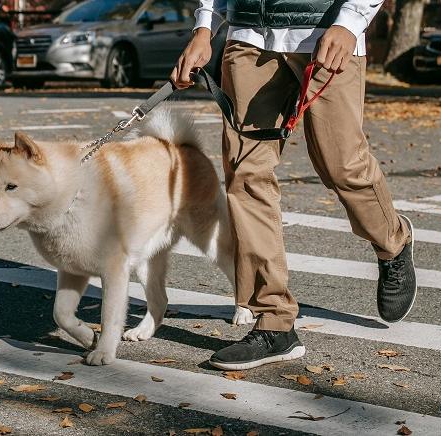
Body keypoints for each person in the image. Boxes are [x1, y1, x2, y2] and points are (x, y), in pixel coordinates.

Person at [170, 0, 417, 370]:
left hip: (327, 33)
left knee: (342, 166)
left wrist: (350, 21)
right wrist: (205, 26)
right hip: (249, 37)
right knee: (245, 174)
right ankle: (273, 321)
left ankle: (393, 241)